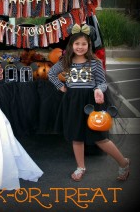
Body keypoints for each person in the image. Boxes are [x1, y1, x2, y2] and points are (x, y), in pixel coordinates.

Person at [48, 23, 130, 182]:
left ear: (89, 45)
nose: (80, 47)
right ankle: (81, 167)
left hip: (91, 105)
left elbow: (102, 82)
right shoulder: (66, 61)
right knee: (76, 137)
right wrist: (61, 87)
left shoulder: (95, 62)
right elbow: (51, 73)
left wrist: (99, 89)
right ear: (71, 45)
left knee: (100, 138)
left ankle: (124, 162)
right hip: (72, 103)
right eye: (76, 44)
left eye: (83, 44)